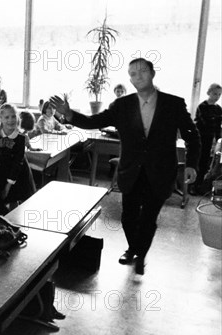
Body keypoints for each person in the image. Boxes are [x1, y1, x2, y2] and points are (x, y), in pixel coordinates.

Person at [50, 58, 201, 274]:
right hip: (131, 171)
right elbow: (94, 122)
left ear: (152, 73)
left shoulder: (173, 104)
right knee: (128, 216)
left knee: (149, 218)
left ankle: (138, 255)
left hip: (160, 172)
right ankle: (135, 248)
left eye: (142, 72)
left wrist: (192, 165)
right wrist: (70, 114)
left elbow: (192, 136)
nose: (137, 77)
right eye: (132, 74)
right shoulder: (122, 105)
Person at [0, 104, 36, 213]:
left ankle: (16, 224)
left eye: (13, 117)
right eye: (6, 117)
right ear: (1, 119)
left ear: (17, 118)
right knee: (4, 198)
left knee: (15, 198)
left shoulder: (20, 138)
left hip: (19, 173)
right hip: (1, 171)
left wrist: (8, 185)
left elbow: (18, 162)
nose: (10, 120)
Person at [192, 83, 222, 194]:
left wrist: (218, 141)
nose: (217, 96)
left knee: (205, 163)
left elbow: (217, 126)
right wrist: (214, 120)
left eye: (219, 94)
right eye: (215, 94)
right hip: (200, 138)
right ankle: (192, 186)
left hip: (210, 139)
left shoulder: (219, 109)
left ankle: (200, 185)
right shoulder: (202, 106)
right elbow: (206, 122)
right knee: (198, 162)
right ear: (209, 93)